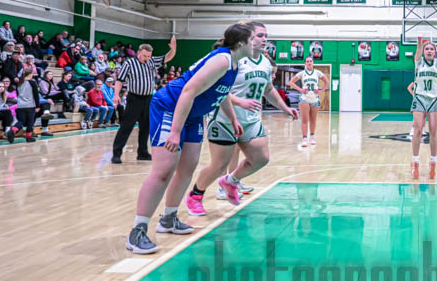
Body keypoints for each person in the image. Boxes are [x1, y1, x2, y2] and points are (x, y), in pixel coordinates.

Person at [126, 23, 255, 255]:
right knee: (164, 170)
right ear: (241, 43)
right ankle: (138, 231)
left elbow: (222, 92)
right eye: (255, 38)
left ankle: (168, 218)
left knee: (187, 167)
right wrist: (175, 131)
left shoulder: (234, 63)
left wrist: (233, 118)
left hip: (193, 114)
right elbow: (188, 91)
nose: (260, 42)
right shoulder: (222, 60)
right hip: (170, 107)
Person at [188, 22, 299, 216]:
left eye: (266, 35)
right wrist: (240, 102)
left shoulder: (265, 63)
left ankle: (230, 181)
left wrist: (285, 108)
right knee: (218, 165)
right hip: (224, 118)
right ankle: (196, 195)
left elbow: (268, 89)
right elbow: (217, 88)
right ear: (248, 38)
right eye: (260, 35)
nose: (264, 39)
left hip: (250, 119)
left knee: (261, 158)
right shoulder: (233, 59)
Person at [111, 36, 177, 164]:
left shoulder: (152, 61)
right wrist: (116, 95)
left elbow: (167, 57)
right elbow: (119, 80)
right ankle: (116, 154)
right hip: (134, 98)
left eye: (148, 56)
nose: (146, 58)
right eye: (144, 56)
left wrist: (173, 49)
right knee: (126, 126)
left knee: (146, 126)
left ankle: (142, 153)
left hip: (148, 98)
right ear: (138, 52)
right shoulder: (129, 63)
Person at [407, 28, 437, 180]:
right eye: (427, 49)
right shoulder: (419, 62)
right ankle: (415, 162)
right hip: (419, 98)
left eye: (432, 49)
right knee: (418, 130)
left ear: (435, 52)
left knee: (433, 131)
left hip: (433, 100)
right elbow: (418, 52)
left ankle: (433, 163)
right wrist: (420, 43)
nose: (429, 51)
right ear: (424, 51)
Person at [3, 68, 55, 144]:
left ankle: (13, 130)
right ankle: (29, 137)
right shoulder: (32, 82)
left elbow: (18, 95)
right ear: (30, 74)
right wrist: (37, 106)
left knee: (21, 121)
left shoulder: (19, 83)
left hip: (20, 105)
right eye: (32, 74)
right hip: (30, 105)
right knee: (30, 122)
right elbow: (36, 95)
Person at [288, 55, 328, 149]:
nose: (309, 63)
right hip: (304, 98)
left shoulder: (318, 73)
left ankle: (312, 137)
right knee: (304, 120)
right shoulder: (302, 73)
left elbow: (327, 82)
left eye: (311, 61)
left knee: (313, 120)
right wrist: (300, 89)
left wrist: (321, 90)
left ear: (313, 62)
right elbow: (291, 82)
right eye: (307, 61)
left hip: (315, 98)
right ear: (305, 63)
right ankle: (305, 139)